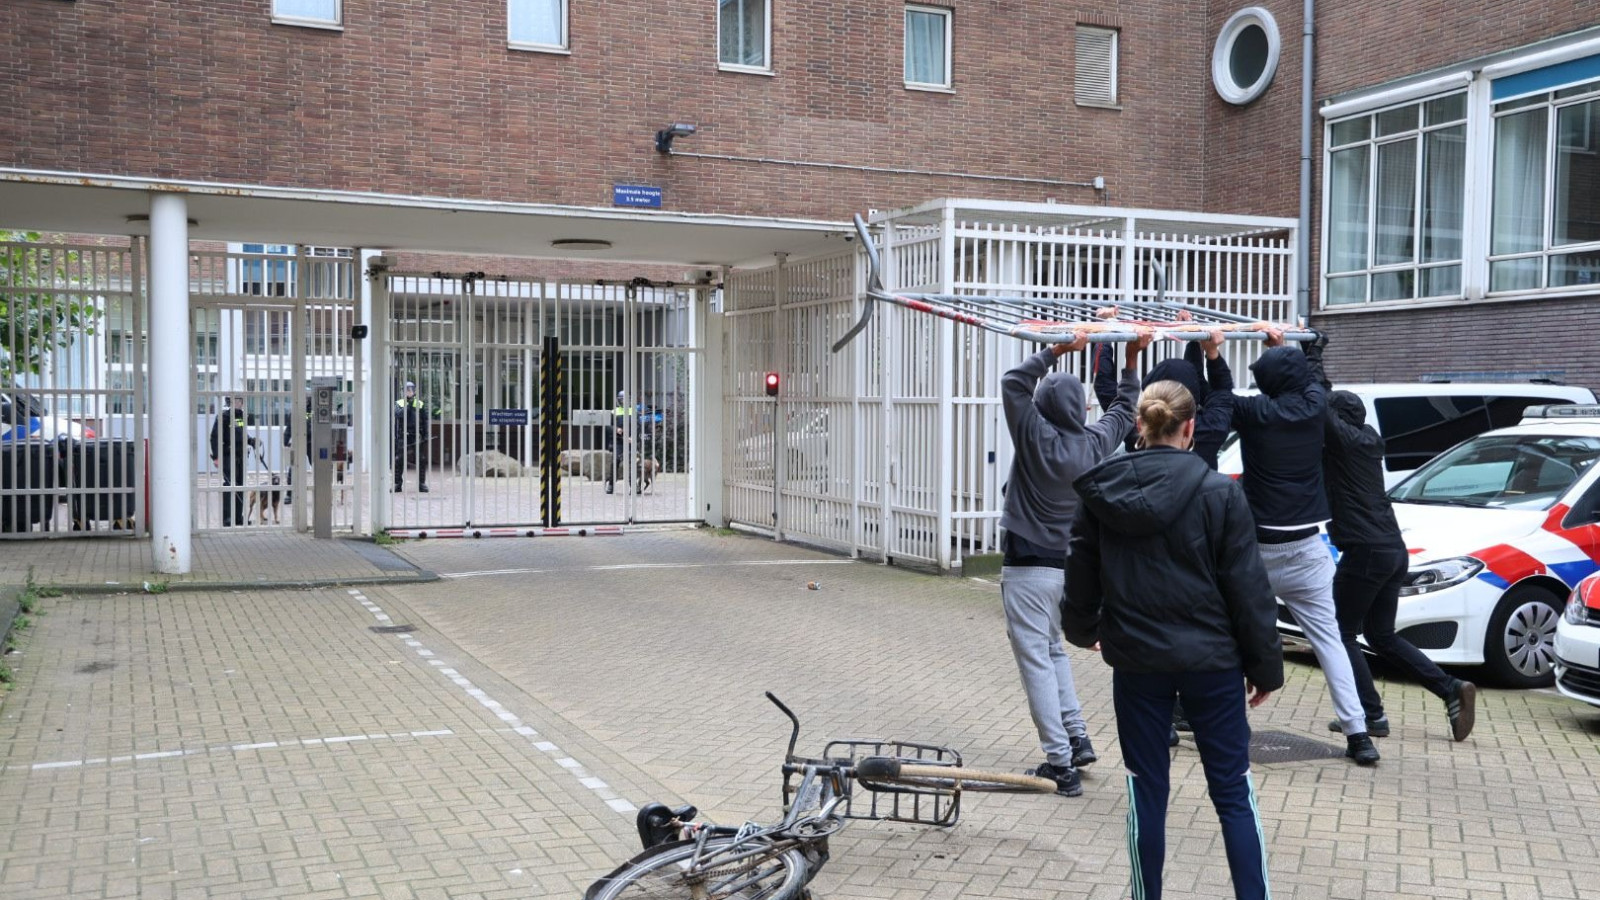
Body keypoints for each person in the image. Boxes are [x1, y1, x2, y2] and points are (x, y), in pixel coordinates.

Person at [1063, 379, 1283, 900]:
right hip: (1213, 663)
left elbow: (1080, 576)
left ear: (1139, 426)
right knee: (1232, 792)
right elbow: (1248, 589)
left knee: (1146, 789)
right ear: (1190, 429)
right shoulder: (1222, 494)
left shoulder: (1101, 493)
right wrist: (1265, 667)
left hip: (1138, 663)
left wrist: (1086, 631)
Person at [999, 328, 1153, 796]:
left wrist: (1053, 352)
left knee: (1036, 662)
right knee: (1052, 651)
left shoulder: (1034, 435)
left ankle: (1060, 763)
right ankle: (1078, 736)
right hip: (1066, 570)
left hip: (1026, 567)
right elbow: (1125, 409)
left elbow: (1012, 385)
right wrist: (1130, 359)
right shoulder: (1092, 443)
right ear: (1080, 409)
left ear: (1044, 407)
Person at [1303, 335, 1478, 742]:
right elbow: (1325, 404)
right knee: (1380, 635)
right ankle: (1449, 687)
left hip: (1365, 552)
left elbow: (1319, 399)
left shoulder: (1345, 442)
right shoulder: (1367, 442)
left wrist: (1312, 354)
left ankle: (1369, 715)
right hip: (1390, 551)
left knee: (1341, 632)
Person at [1231, 328, 1377, 765]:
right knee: (1330, 640)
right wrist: (1295, 349)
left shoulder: (1254, 412)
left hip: (1256, 550)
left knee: (1231, 636)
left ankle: (1228, 723)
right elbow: (1313, 380)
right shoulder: (1316, 409)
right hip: (1308, 548)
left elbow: (1213, 393)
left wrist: (1211, 351)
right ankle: (1359, 735)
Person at [1096, 320, 1236, 743]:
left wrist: (1117, 344)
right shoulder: (1207, 430)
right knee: (1188, 619)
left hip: (1142, 537)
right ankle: (1185, 707)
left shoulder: (1131, 424)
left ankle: (1160, 713)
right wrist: (1210, 353)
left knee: (1149, 618)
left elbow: (1111, 388)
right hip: (1194, 540)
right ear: (1189, 422)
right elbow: (1221, 396)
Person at [209, 396, 258, 527]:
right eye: (236, 401)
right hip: (228, 455)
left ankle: (238, 517)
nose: (239, 403)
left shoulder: (240, 417)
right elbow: (214, 437)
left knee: (241, 486)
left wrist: (251, 441)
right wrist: (216, 457)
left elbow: (241, 434)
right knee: (230, 486)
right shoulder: (223, 417)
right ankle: (227, 518)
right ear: (230, 403)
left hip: (241, 456)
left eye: (241, 401)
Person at [393, 381, 430, 493]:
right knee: (399, 460)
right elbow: (398, 415)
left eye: (410, 390)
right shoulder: (399, 403)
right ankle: (397, 484)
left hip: (416, 435)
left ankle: (421, 484)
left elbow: (424, 420)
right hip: (403, 435)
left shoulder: (420, 404)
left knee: (421, 460)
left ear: (414, 391)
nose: (408, 392)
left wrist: (425, 435)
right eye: (406, 390)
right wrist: (408, 405)